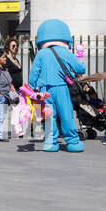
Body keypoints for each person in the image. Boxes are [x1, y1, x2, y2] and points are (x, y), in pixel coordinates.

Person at [27, 19, 86, 153]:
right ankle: (73, 142)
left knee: (47, 116)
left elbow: (33, 75)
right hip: (61, 87)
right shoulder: (66, 52)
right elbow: (80, 69)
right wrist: (81, 60)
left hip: (43, 90)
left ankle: (50, 142)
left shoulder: (41, 54)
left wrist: (31, 90)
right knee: (66, 115)